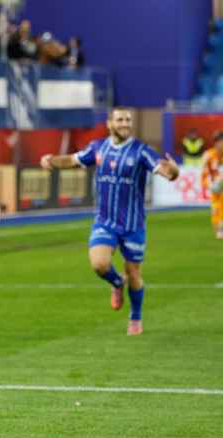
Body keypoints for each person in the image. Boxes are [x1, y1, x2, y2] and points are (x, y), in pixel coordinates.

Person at [40, 106, 179, 335]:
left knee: (134, 274)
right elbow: (74, 160)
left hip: (133, 224)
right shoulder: (98, 147)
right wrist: (52, 161)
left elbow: (165, 172)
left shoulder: (141, 151)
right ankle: (116, 282)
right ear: (110, 123)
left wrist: (173, 172)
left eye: (127, 120)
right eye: (120, 120)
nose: (124, 124)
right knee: (99, 264)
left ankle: (135, 317)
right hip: (105, 220)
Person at [200, 130, 223, 239]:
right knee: (217, 227)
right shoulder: (208, 155)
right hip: (216, 190)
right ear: (217, 142)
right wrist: (212, 186)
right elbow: (202, 179)